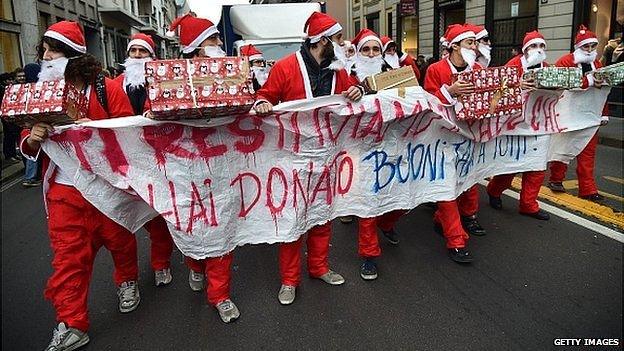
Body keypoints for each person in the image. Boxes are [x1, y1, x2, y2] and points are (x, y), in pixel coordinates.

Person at [21, 20, 138, 351]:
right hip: (64, 193)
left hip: (107, 188)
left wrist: (97, 129)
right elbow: (26, 143)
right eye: (43, 49)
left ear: (73, 56)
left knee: (120, 242)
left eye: (53, 50)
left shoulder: (106, 89)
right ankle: (72, 324)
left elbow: (130, 132)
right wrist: (32, 139)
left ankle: (127, 280)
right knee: (68, 260)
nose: (46, 56)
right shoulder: (41, 92)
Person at [254, 11, 363, 305]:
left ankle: (319, 267)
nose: (343, 44)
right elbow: (265, 95)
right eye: (338, 39)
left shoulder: (339, 70)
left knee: (322, 218)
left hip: (327, 156)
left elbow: (354, 92)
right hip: (292, 157)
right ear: (324, 41)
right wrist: (263, 103)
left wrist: (357, 89)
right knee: (293, 221)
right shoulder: (286, 67)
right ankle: (290, 280)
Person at [167, 12, 240, 323]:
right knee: (191, 227)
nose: (220, 44)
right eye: (213, 39)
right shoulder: (167, 78)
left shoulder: (231, 74)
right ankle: (195, 264)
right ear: (197, 47)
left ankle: (220, 295)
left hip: (222, 167)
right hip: (185, 171)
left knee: (221, 230)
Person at [113, 33, 176, 288]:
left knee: (157, 217)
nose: (138, 56)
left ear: (152, 56)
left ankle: (161, 264)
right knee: (120, 220)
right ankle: (127, 279)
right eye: (133, 52)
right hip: (121, 162)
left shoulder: (163, 82)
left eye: (143, 52)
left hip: (155, 160)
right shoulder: (112, 85)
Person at [423, 23, 485, 263]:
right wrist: (449, 91)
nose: (475, 47)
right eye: (470, 43)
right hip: (442, 138)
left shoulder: (478, 68)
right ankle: (456, 240)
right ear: (454, 46)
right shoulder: (435, 70)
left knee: (469, 180)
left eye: (475, 42)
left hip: (470, 135)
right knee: (447, 186)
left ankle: (456, 217)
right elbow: (428, 103)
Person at [348, 28, 404, 280]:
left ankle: (388, 223)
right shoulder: (346, 78)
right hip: (361, 150)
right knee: (368, 203)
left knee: (403, 196)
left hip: (393, 145)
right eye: (366, 50)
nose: (371, 54)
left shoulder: (393, 76)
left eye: (375, 50)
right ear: (358, 53)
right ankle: (369, 255)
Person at [486, 30, 551, 221]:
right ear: (524, 50)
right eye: (533, 46)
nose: (538, 50)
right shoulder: (512, 66)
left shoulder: (547, 68)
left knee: (537, 167)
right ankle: (494, 190)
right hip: (514, 125)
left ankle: (529, 205)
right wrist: (518, 86)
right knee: (510, 165)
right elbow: (496, 92)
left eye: (541, 46)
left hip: (540, 125)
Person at [547, 25, 607, 202]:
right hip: (567, 114)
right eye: (585, 47)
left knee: (588, 153)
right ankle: (556, 179)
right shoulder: (565, 61)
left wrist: (603, 114)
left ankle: (587, 189)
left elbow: (602, 92)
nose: (589, 50)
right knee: (562, 148)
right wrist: (587, 81)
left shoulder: (597, 64)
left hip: (589, 115)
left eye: (592, 46)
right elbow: (560, 83)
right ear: (578, 47)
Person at [21, 62, 42, 187]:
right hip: (34, 124)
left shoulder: (23, 89)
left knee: (31, 151)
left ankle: (32, 175)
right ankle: (30, 177)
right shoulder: (37, 88)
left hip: (27, 123)